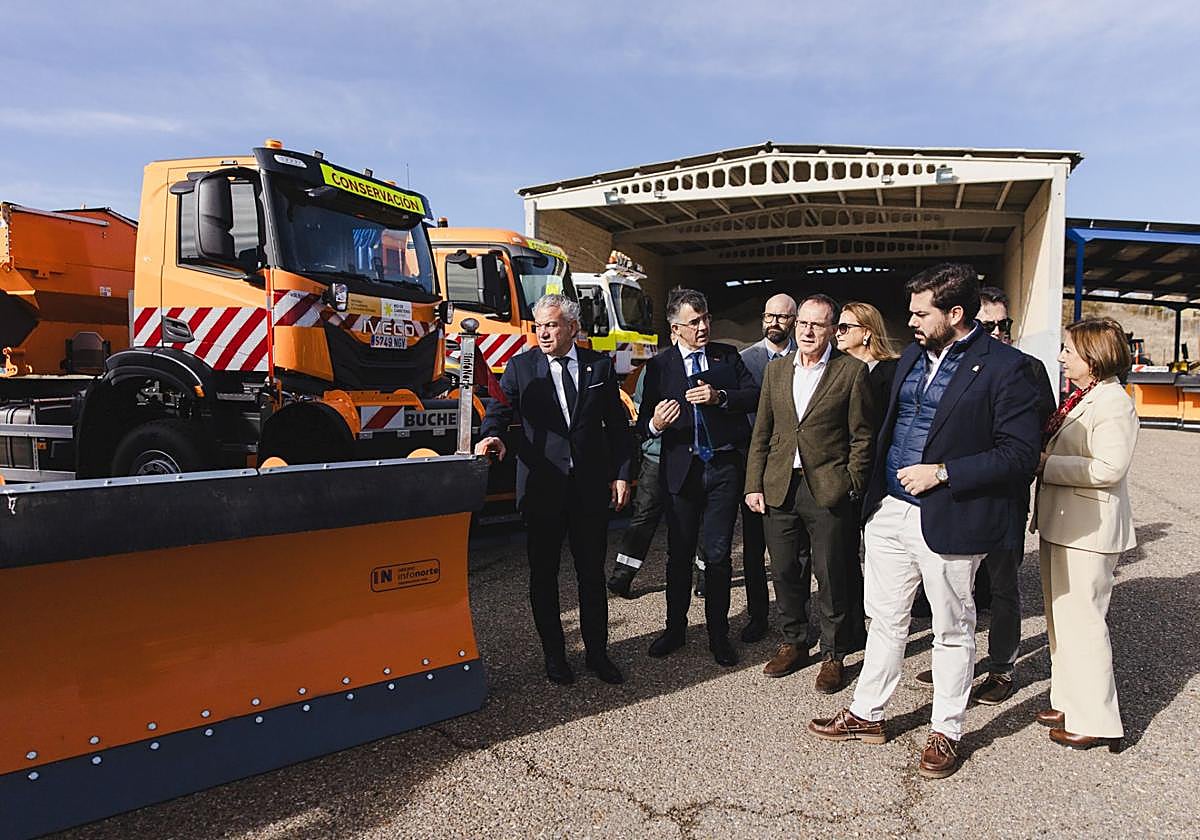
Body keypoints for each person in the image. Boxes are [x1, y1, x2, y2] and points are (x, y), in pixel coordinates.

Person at [808, 262, 1040, 781]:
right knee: (885, 620)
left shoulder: (1006, 368)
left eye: (920, 312)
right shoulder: (912, 355)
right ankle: (868, 714)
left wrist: (943, 472)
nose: (909, 320)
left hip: (950, 516)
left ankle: (947, 730)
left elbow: (1020, 454)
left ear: (955, 313)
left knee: (952, 630)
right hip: (890, 511)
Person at [475, 293, 633, 686]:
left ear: (573, 328)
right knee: (543, 576)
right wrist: (491, 436)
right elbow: (500, 408)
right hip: (543, 488)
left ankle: (598, 654)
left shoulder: (599, 366)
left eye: (552, 325)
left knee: (591, 575)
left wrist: (621, 473)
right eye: (539, 325)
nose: (543, 333)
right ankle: (555, 656)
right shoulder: (521, 367)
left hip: (588, 489)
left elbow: (616, 423)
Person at [914, 285, 1058, 703]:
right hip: (958, 492)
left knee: (1003, 585)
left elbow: (1042, 431)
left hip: (1004, 495)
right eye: (988, 324)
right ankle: (959, 664)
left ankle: (1001, 668)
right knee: (959, 586)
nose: (997, 331)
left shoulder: (1027, 368)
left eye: (1004, 324)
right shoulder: (955, 364)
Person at [745, 294, 875, 692]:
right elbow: (762, 431)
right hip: (780, 485)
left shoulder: (850, 372)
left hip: (827, 488)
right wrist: (753, 483)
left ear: (834, 330)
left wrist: (851, 482)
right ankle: (794, 641)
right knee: (784, 570)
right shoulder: (776, 371)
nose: (807, 330)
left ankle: (835, 653)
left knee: (831, 573)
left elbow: (862, 436)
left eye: (817, 324)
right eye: (803, 322)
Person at [636, 287, 759, 666]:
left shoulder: (726, 356)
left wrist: (720, 396)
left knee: (719, 555)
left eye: (705, 318)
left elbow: (753, 395)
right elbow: (642, 424)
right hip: (682, 472)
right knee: (679, 554)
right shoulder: (659, 367)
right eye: (694, 322)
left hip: (722, 469)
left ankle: (718, 635)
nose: (703, 326)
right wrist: (656, 423)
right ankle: (675, 629)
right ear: (675, 330)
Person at [1033, 317, 1136, 751]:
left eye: (1069, 351)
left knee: (1085, 623)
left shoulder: (1114, 403)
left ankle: (1097, 719)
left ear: (1092, 357)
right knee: (1062, 621)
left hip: (1088, 532)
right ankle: (1068, 699)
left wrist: (1045, 466)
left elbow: (1110, 467)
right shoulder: (1085, 397)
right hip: (1063, 523)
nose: (1061, 357)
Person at [736, 292, 799, 642]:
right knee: (754, 548)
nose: (775, 322)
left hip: (797, 468)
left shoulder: (808, 360)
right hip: (758, 467)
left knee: (794, 552)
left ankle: (798, 616)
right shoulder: (745, 361)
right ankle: (758, 615)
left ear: (794, 320)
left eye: (783, 317)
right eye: (769, 316)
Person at [835, 300, 901, 409]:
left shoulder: (892, 371)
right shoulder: (836, 368)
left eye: (843, 328)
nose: (837, 334)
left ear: (866, 332)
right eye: (837, 328)